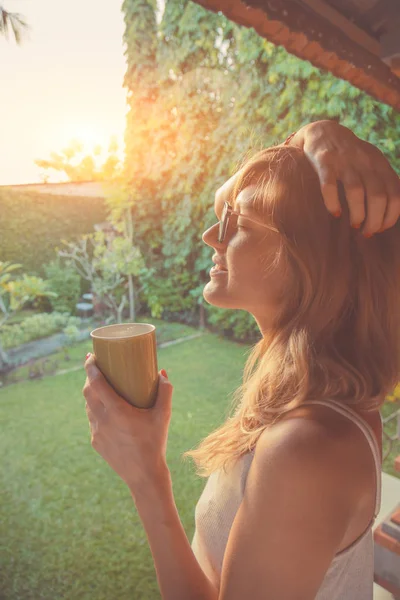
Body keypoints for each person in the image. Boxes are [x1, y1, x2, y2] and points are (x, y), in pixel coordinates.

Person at [83, 119, 400, 600]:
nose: (212, 234)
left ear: (310, 260)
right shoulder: (318, 394)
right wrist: (314, 134)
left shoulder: (306, 449)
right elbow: (229, 192)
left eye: (241, 223)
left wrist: (146, 475)